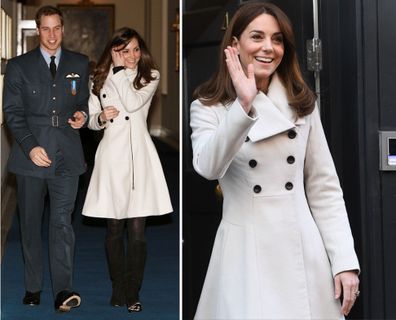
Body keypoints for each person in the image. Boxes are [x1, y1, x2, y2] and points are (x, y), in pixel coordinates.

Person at [190, 2, 360, 319]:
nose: (269, 47)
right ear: (235, 45)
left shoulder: (302, 104)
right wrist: (243, 106)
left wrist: (344, 261)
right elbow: (208, 167)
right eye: (257, 36)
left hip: (301, 250)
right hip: (244, 252)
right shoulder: (208, 106)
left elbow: (324, 187)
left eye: (277, 39)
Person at [2, 5, 89, 312]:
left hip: (67, 153)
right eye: (46, 29)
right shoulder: (18, 66)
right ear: (37, 31)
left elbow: (82, 101)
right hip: (31, 156)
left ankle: (63, 290)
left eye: (57, 28)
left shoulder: (80, 63)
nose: (52, 35)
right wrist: (29, 146)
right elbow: (12, 113)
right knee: (30, 223)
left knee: (62, 223)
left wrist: (82, 115)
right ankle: (33, 286)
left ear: (63, 29)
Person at [82, 27, 173, 313]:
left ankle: (133, 292)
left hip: (139, 158)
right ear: (114, 51)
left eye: (136, 49)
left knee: (137, 230)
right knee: (113, 226)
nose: (132, 55)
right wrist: (99, 116)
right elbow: (91, 122)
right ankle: (117, 286)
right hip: (111, 156)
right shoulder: (97, 79)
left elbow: (133, 104)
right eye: (125, 50)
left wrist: (120, 71)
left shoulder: (150, 76)